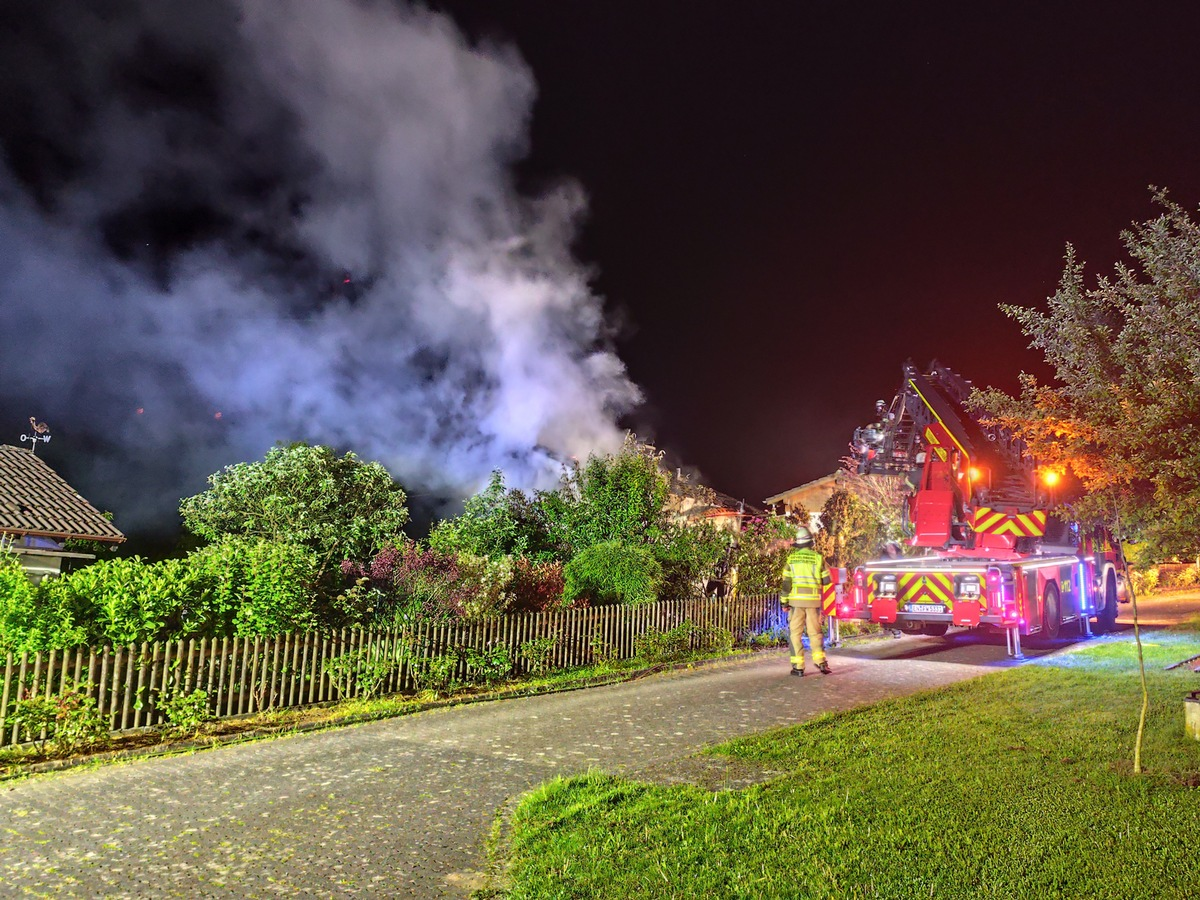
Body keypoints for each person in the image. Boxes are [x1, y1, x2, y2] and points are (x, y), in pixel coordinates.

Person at [781, 526, 832, 676]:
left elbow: (786, 584)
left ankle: (798, 668)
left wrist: (784, 602)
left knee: (795, 634)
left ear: (798, 544)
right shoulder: (818, 558)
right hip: (813, 603)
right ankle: (821, 662)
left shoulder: (791, 559)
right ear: (811, 543)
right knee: (815, 633)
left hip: (796, 604)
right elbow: (827, 580)